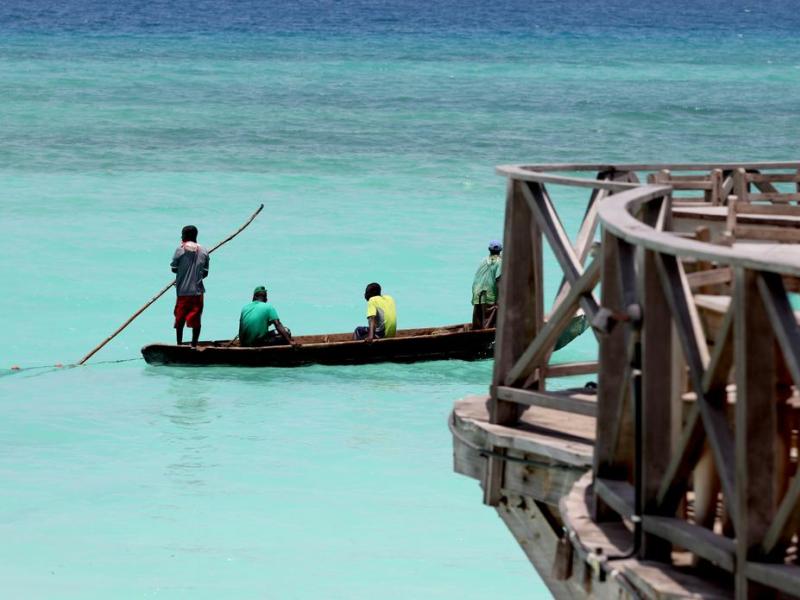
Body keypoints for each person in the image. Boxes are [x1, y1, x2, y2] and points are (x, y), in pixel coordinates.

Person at [171, 225, 209, 347]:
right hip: (197, 292)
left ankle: (179, 344)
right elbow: (205, 273)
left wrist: (183, 274)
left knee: (180, 319)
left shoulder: (179, 250)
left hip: (183, 292)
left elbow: (174, 269)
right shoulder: (204, 250)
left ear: (185, 236)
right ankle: (194, 344)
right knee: (196, 320)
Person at [471, 240, 502, 330]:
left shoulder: (483, 261)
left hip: (477, 295)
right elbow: (499, 281)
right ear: (500, 251)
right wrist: (499, 301)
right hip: (489, 297)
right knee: (488, 326)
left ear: (489, 250)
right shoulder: (500, 262)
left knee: (477, 326)